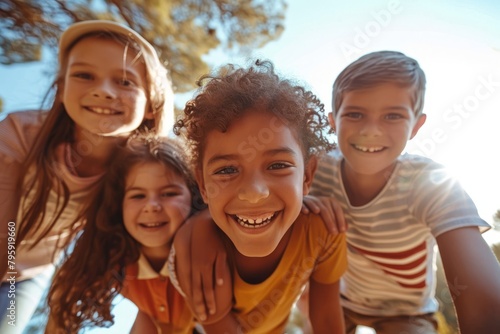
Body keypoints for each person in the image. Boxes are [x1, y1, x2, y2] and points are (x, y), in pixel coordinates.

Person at [305, 50, 500, 334]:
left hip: (407, 312)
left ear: (416, 126)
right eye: (355, 114)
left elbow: (485, 302)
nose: (371, 130)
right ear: (334, 121)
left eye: (392, 115)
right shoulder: (315, 169)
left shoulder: (431, 184)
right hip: (338, 299)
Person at [0, 20, 173, 333]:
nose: (102, 91)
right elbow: (5, 232)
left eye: (124, 81)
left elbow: (82, 268)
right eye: (84, 75)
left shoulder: (138, 177)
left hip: (27, 275)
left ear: (151, 103)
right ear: (62, 88)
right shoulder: (21, 134)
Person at [169, 60, 348, 334]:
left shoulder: (323, 230)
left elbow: (327, 323)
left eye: (277, 165)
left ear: (308, 176)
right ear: (203, 185)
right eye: (227, 170)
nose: (254, 192)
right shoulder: (198, 252)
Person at [45, 133, 203, 334]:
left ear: (195, 195)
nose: (151, 206)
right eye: (138, 195)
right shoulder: (115, 261)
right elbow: (61, 307)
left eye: (169, 193)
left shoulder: (209, 249)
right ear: (119, 206)